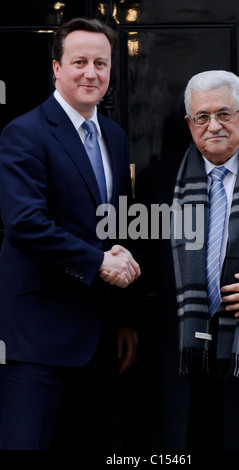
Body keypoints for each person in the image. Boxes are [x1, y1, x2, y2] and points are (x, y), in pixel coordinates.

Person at [135, 70, 239, 451]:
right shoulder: (157, 182)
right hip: (183, 360)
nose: (214, 126)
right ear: (189, 123)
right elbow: (143, 257)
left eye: (224, 114)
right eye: (202, 117)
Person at [0, 17, 140, 450]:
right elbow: (25, 224)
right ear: (57, 68)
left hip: (98, 337)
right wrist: (99, 262)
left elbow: (115, 225)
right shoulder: (24, 133)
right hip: (37, 338)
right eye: (79, 61)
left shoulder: (114, 137)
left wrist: (124, 318)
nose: (91, 72)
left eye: (101, 62)